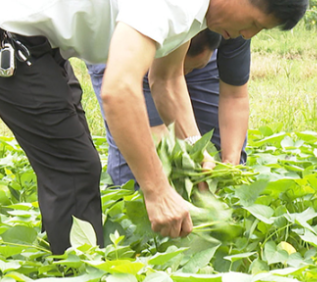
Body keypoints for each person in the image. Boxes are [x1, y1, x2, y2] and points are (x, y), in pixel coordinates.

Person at [0, 0, 310, 254]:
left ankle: (77, 264)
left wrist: (195, 153)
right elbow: (118, 89)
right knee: (74, 168)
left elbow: (166, 80)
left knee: (74, 162)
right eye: (252, 24)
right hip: (1, 34)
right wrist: (157, 191)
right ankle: (78, 280)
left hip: (38, 42)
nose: (247, 36)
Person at [86, 29, 251, 187]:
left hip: (187, 42)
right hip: (130, 42)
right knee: (139, 161)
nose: (183, 75)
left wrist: (229, 164)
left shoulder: (234, 23)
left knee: (214, 148)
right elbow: (151, 123)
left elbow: (234, 95)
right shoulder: (150, 25)